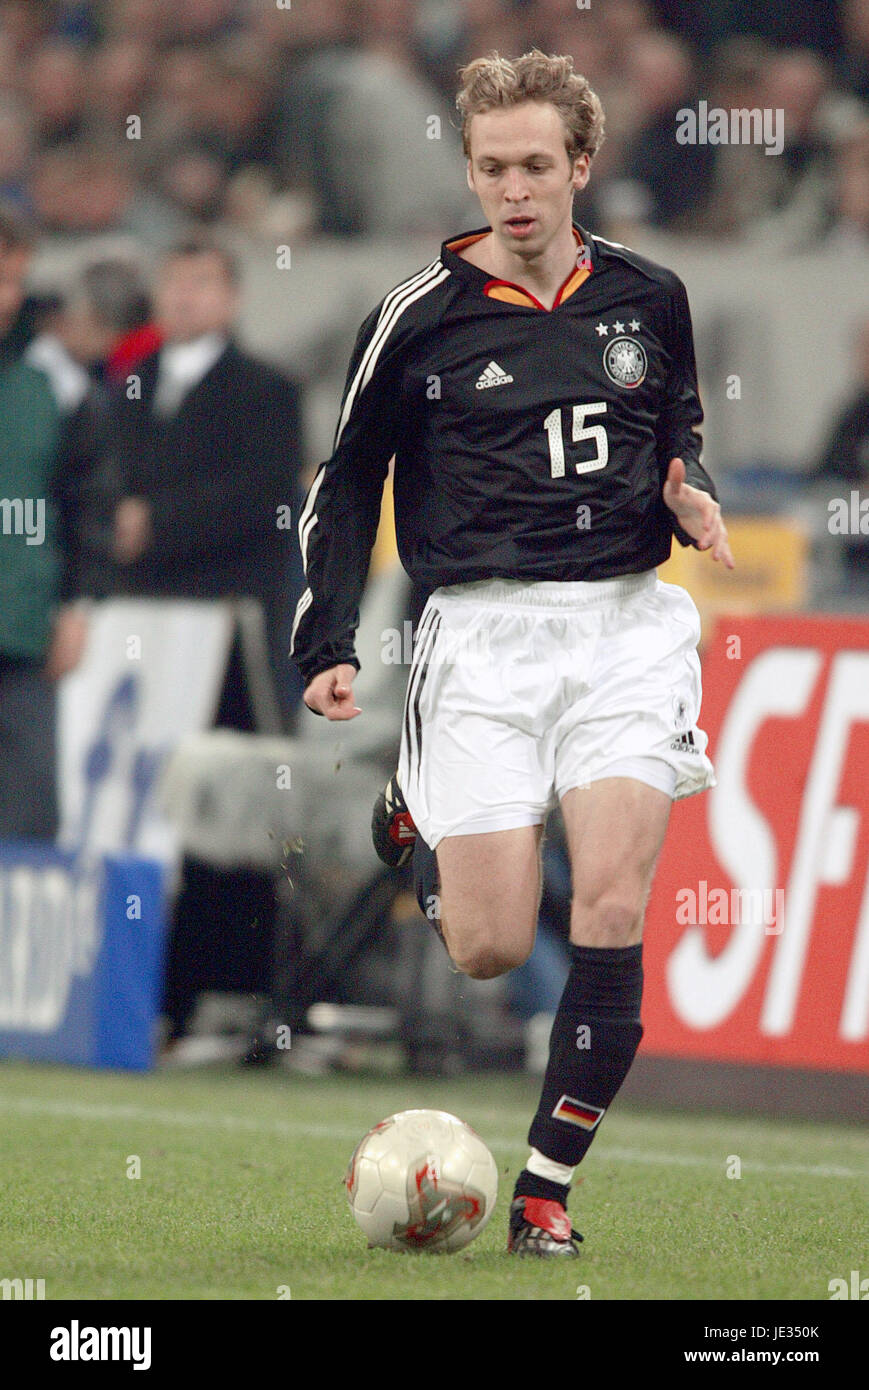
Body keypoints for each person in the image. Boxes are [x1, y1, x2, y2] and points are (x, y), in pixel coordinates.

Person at [291, 50, 733, 1258]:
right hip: (478, 637)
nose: (514, 190)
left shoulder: (649, 296)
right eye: (492, 167)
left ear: (580, 165)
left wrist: (691, 496)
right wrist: (326, 636)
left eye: (537, 165)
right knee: (486, 946)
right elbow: (345, 486)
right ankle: (421, 813)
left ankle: (545, 1187)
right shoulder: (413, 318)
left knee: (606, 901)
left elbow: (675, 429)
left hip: (624, 630)